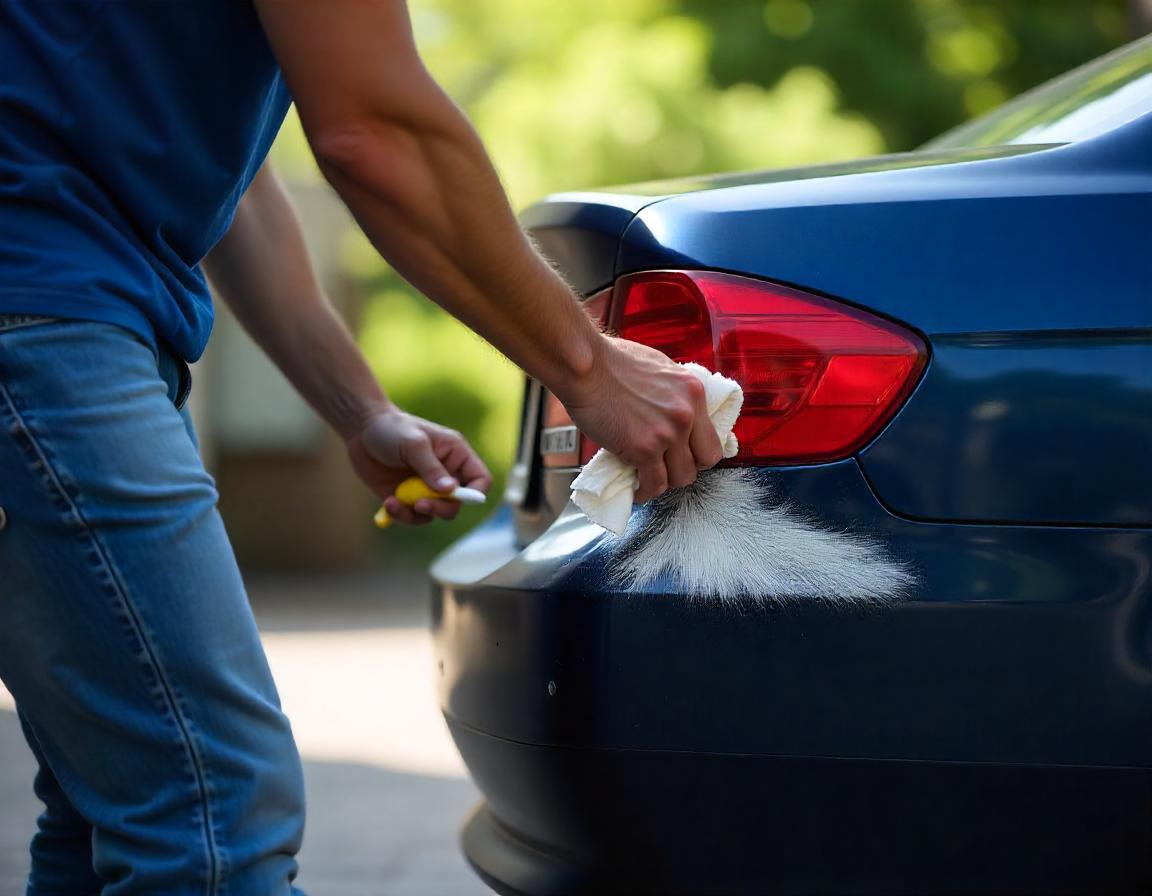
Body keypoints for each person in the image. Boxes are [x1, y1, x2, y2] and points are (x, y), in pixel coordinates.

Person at [0, 1, 724, 893]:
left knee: (108, 802)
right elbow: (374, 130)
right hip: (38, 320)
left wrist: (361, 409)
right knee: (212, 810)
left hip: (55, 315)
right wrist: (592, 367)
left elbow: (239, 184)